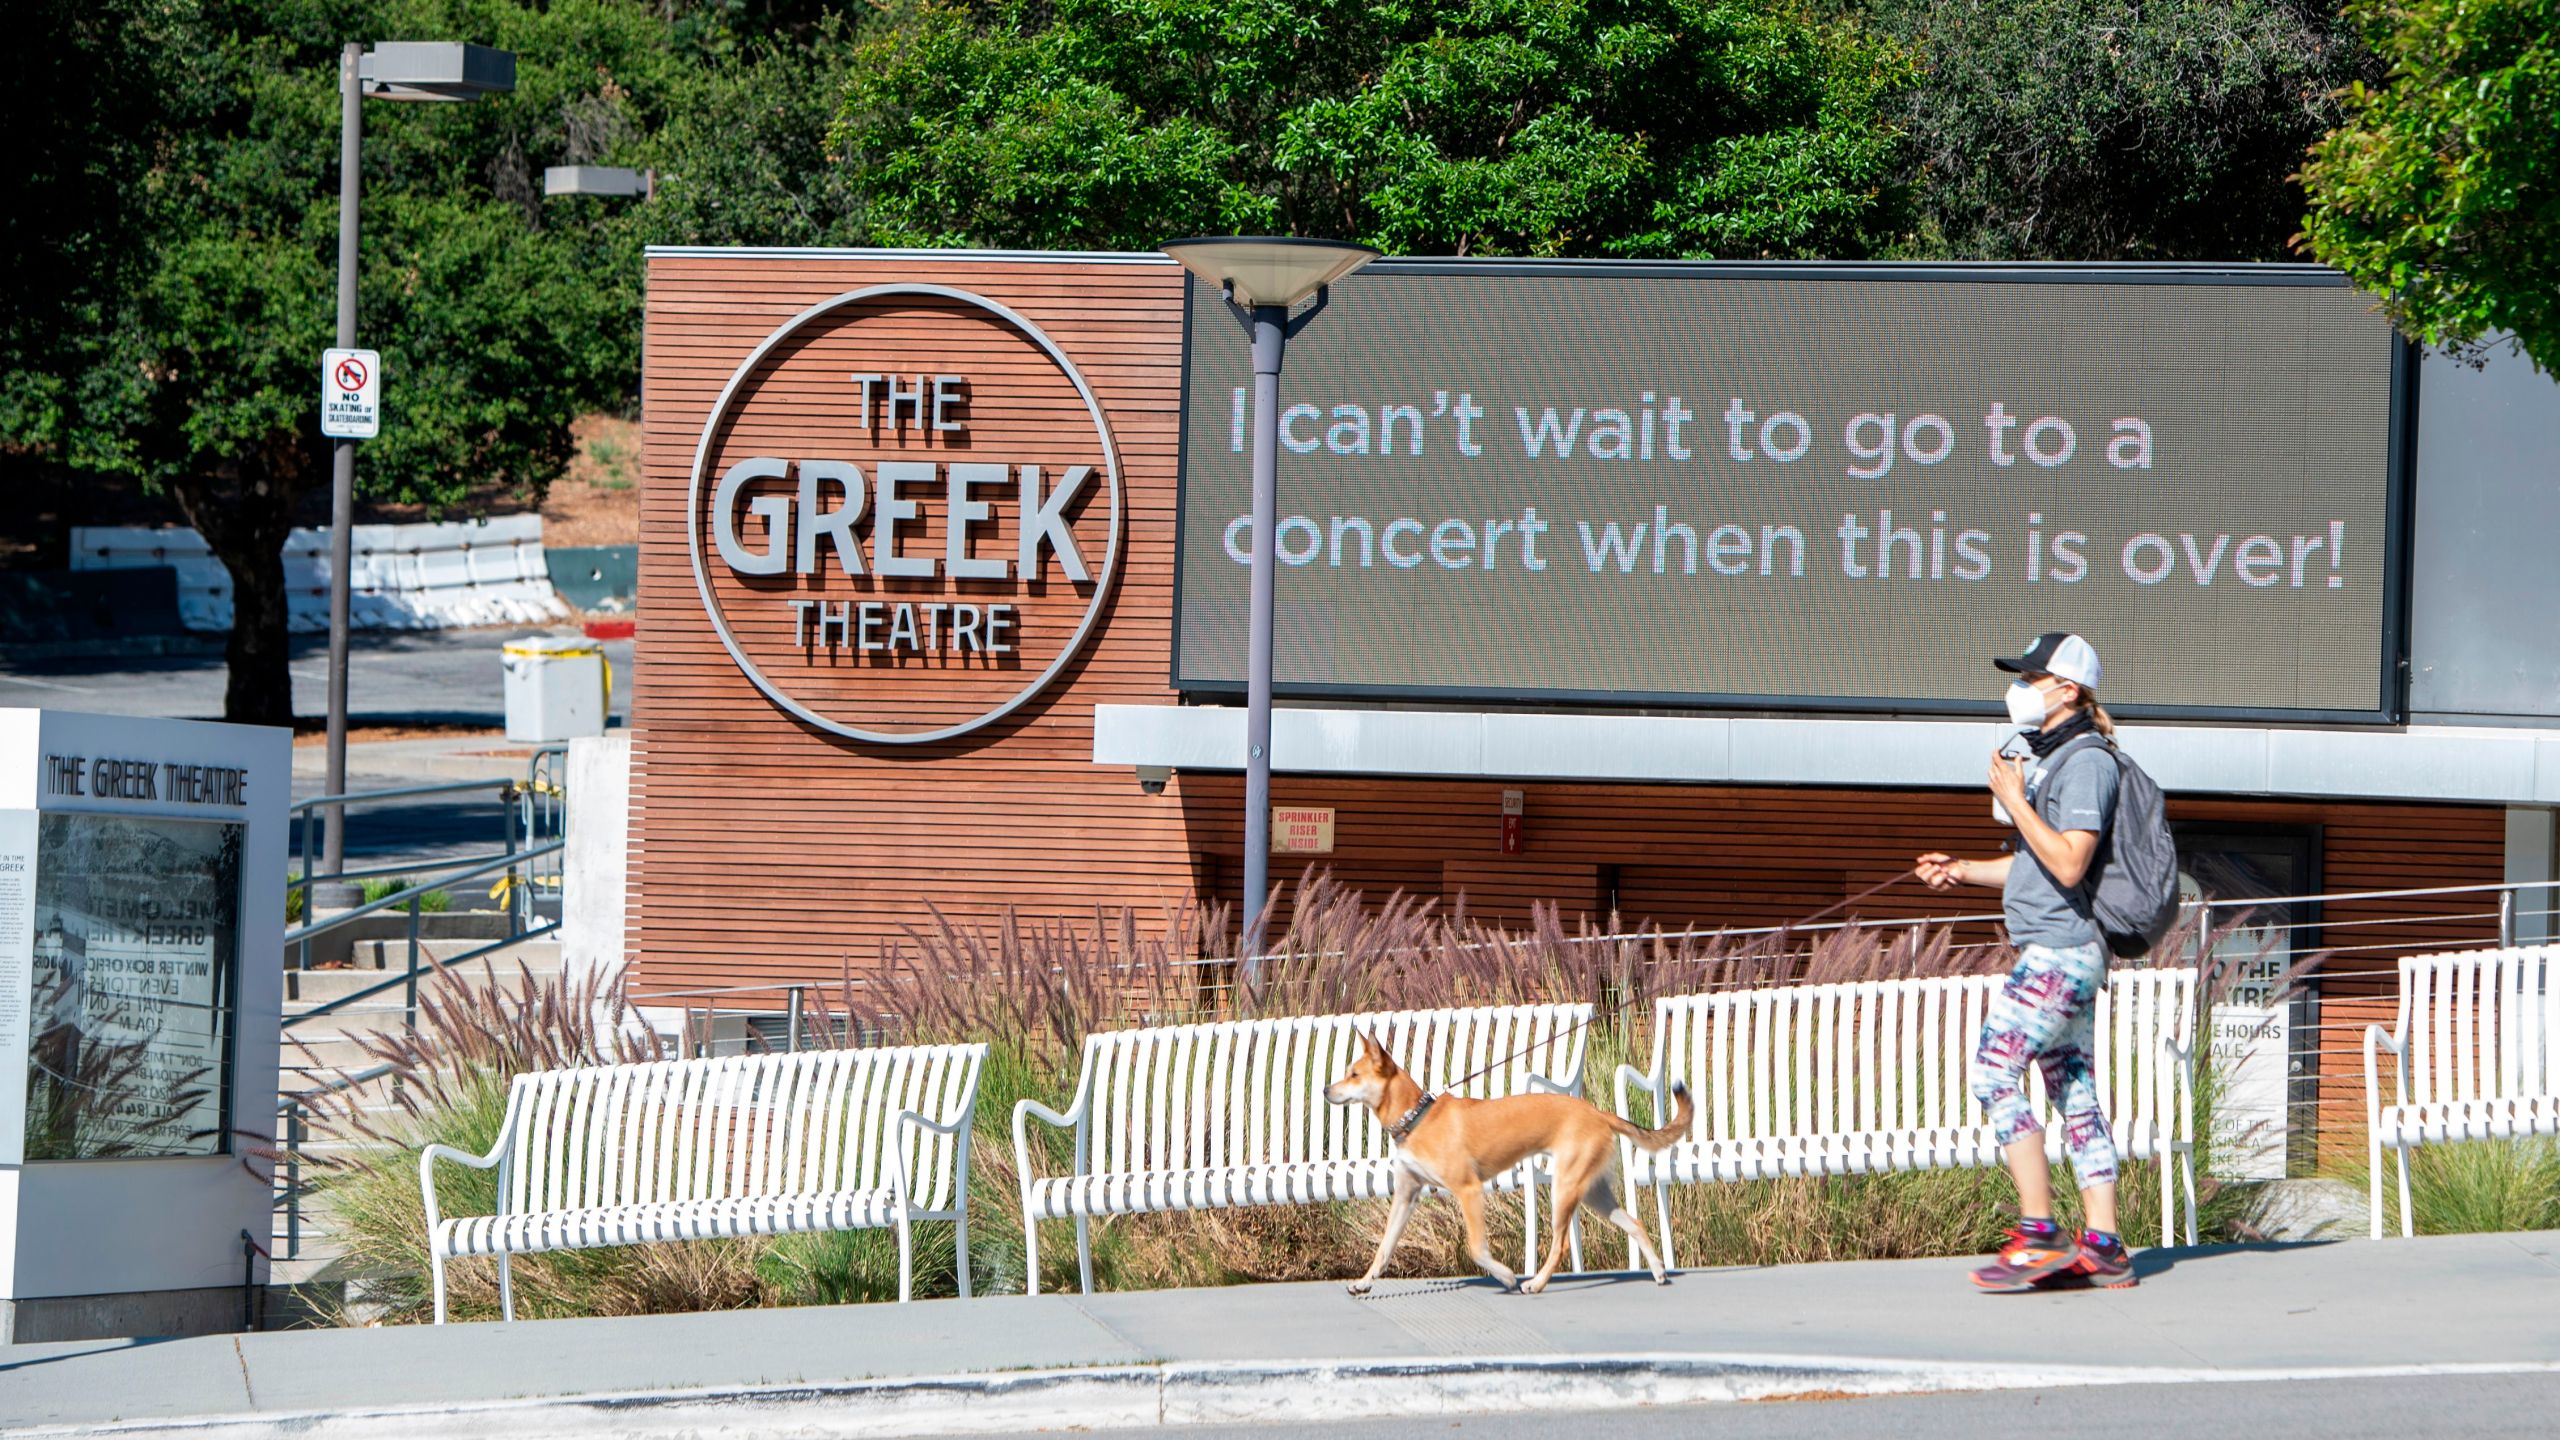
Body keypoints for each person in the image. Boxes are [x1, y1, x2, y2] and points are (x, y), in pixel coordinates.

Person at [1916, 631, 2133, 1291]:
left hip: (2061, 951)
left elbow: (2070, 859)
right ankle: (2105, 1246)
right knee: (2075, 1092)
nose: (2018, 689)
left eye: (2031, 678)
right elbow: (2039, 862)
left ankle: (2040, 1234)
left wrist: (2014, 800)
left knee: (1992, 1070)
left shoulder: (2086, 762)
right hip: (2064, 949)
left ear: (2068, 690)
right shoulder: (2057, 757)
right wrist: (1964, 869)